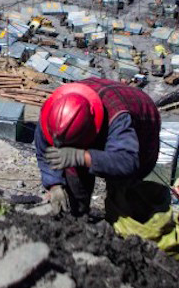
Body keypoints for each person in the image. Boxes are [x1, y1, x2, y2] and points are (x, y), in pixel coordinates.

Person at [35, 78, 160, 217]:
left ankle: (119, 221)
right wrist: (54, 184)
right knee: (74, 182)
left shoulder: (118, 118)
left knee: (122, 192)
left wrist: (81, 157)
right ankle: (78, 216)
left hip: (140, 125)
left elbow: (127, 161)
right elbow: (44, 151)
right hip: (94, 118)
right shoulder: (53, 114)